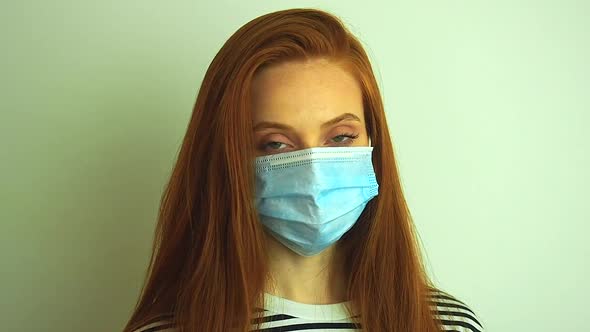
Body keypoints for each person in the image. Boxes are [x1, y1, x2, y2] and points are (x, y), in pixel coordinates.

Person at [123, 8, 484, 332]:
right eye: (276, 143)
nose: (313, 170)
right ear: (228, 159)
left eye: (340, 137)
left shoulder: (445, 323)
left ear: (373, 144)